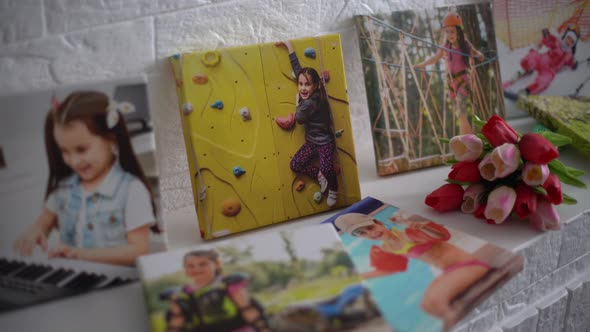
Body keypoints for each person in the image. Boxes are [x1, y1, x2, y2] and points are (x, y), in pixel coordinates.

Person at [13, 91, 158, 266]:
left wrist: (80, 254)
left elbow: (139, 251)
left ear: (111, 140)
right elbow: (43, 223)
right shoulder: (63, 189)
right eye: (64, 151)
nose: (73, 161)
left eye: (81, 149)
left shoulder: (131, 190)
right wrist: (33, 233)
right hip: (75, 280)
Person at [335, 212, 490, 330]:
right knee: (426, 306)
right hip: (450, 272)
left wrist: (421, 226)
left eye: (370, 228)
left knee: (437, 301)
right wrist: (356, 276)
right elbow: (391, 269)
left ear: (379, 222)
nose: (371, 233)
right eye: (363, 233)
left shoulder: (408, 233)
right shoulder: (386, 247)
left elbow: (443, 236)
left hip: (468, 265)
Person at [276, 40, 338, 207]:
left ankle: (333, 188)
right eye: (300, 84)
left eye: (307, 85)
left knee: (327, 169)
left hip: (325, 143)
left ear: (316, 86)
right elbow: (299, 71)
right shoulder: (309, 91)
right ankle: (318, 175)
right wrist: (289, 47)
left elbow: (300, 119)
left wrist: (297, 103)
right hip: (311, 142)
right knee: (295, 165)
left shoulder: (310, 103)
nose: (303, 88)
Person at [415, 12, 485, 135]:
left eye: (452, 31)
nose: (449, 35)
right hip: (452, 83)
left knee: (461, 112)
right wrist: (422, 64)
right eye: (447, 32)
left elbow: (475, 52)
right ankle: (467, 138)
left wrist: (479, 55)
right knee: (460, 114)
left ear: (459, 31)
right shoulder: (446, 47)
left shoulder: (465, 45)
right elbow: (434, 58)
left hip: (463, 81)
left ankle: (468, 138)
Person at [165, 249, 269, 332]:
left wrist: (263, 329)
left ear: (216, 264)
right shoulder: (182, 294)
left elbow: (248, 310)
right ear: (185, 269)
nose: (196, 269)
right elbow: (176, 321)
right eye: (190, 266)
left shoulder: (229, 284)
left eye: (203, 264)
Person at [518, 24, 580, 95]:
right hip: (542, 59)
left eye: (572, 41)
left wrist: (574, 64)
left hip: (549, 70)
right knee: (533, 55)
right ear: (565, 37)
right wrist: (547, 35)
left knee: (544, 81)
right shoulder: (557, 43)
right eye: (568, 38)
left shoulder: (569, 54)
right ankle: (527, 66)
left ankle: (528, 91)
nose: (569, 42)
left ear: (573, 44)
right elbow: (549, 41)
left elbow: (571, 61)